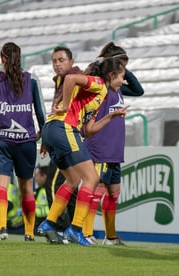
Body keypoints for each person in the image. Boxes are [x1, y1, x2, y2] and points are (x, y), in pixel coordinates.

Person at [37, 55, 129, 246]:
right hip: (64, 128)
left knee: (72, 180)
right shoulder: (98, 84)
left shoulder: (99, 95)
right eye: (121, 76)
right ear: (111, 75)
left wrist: (111, 116)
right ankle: (76, 229)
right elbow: (70, 79)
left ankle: (49, 223)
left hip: (53, 129)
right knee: (92, 179)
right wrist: (65, 104)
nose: (123, 81)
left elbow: (88, 130)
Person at [0, 42, 46, 241]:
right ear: (20, 58)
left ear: (2, 59)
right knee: (27, 187)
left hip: (1, 141)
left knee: (0, 186)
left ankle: (2, 228)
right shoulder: (32, 80)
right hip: (26, 142)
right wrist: (45, 138)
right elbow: (41, 112)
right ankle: (30, 233)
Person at [82, 41, 144, 245]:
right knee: (95, 191)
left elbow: (138, 90)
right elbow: (86, 76)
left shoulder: (118, 89)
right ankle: (86, 233)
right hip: (100, 148)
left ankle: (110, 236)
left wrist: (123, 69)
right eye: (121, 68)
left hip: (115, 149)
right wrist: (104, 63)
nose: (124, 73)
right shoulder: (98, 87)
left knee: (113, 193)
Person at [43, 46, 81, 233]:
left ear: (71, 62)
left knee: (55, 183)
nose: (57, 64)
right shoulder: (61, 80)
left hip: (66, 135)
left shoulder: (74, 77)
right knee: (73, 183)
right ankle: (75, 229)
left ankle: (56, 227)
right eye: (54, 61)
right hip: (63, 134)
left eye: (61, 60)